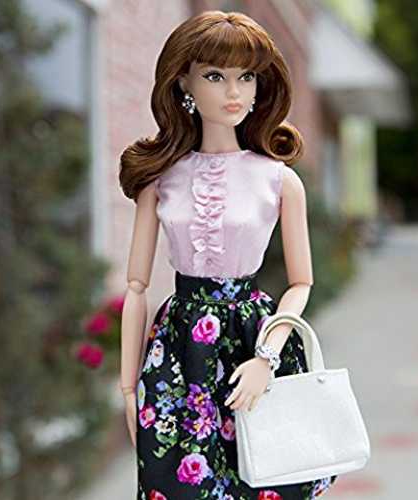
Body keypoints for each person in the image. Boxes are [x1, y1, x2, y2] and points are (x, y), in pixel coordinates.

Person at [118, 10, 337, 500]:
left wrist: (266, 357)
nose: (234, 91)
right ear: (184, 83)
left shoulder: (279, 180)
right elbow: (136, 286)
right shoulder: (161, 180)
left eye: (247, 77)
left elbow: (301, 283)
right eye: (215, 76)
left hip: (254, 343)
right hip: (178, 349)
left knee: (264, 473)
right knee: (175, 484)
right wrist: (128, 388)